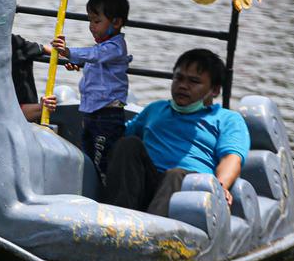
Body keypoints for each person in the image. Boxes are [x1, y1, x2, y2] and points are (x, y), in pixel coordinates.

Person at [101, 48, 250, 217]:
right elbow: (121, 138)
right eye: (178, 78)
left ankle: (153, 234)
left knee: (175, 175)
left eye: (194, 81)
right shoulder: (155, 109)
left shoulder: (227, 119)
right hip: (147, 184)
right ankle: (116, 218)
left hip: (190, 190)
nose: (183, 86)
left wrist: (221, 187)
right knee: (128, 145)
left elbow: (231, 159)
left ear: (214, 90)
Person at [51, 0, 132, 186]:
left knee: (102, 160)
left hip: (107, 115)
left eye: (97, 22)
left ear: (116, 23)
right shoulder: (103, 48)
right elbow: (96, 62)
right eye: (90, 21)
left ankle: (104, 193)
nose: (91, 27)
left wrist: (69, 52)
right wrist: (79, 64)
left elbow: (97, 55)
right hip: (92, 112)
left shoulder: (116, 46)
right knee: (87, 155)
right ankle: (91, 188)